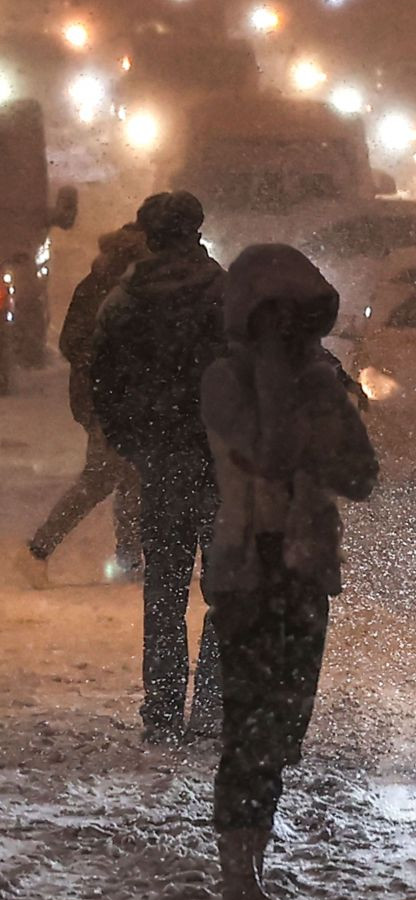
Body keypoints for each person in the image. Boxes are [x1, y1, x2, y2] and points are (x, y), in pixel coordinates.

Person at [202, 244, 377, 900]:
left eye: (291, 317)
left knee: (281, 729)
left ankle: (252, 878)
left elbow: (361, 474)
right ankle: (238, 887)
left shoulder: (322, 381)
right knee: (249, 725)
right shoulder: (226, 380)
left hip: (302, 568)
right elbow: (268, 454)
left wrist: (321, 407)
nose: (282, 331)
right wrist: (286, 384)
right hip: (248, 569)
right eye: (270, 316)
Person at [91, 191, 226, 744]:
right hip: (221, 459)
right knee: (226, 589)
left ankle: (164, 709)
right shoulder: (226, 294)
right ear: (197, 231)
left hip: (163, 458)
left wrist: (133, 442)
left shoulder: (124, 302)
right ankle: (213, 706)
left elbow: (103, 379)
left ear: (148, 237)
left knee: (165, 588)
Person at [21, 223, 147, 586]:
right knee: (103, 478)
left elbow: (71, 342)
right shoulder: (121, 288)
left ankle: (129, 559)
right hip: (113, 399)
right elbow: (75, 343)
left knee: (131, 477)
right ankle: (39, 548)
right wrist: (113, 366)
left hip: (110, 397)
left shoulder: (98, 283)